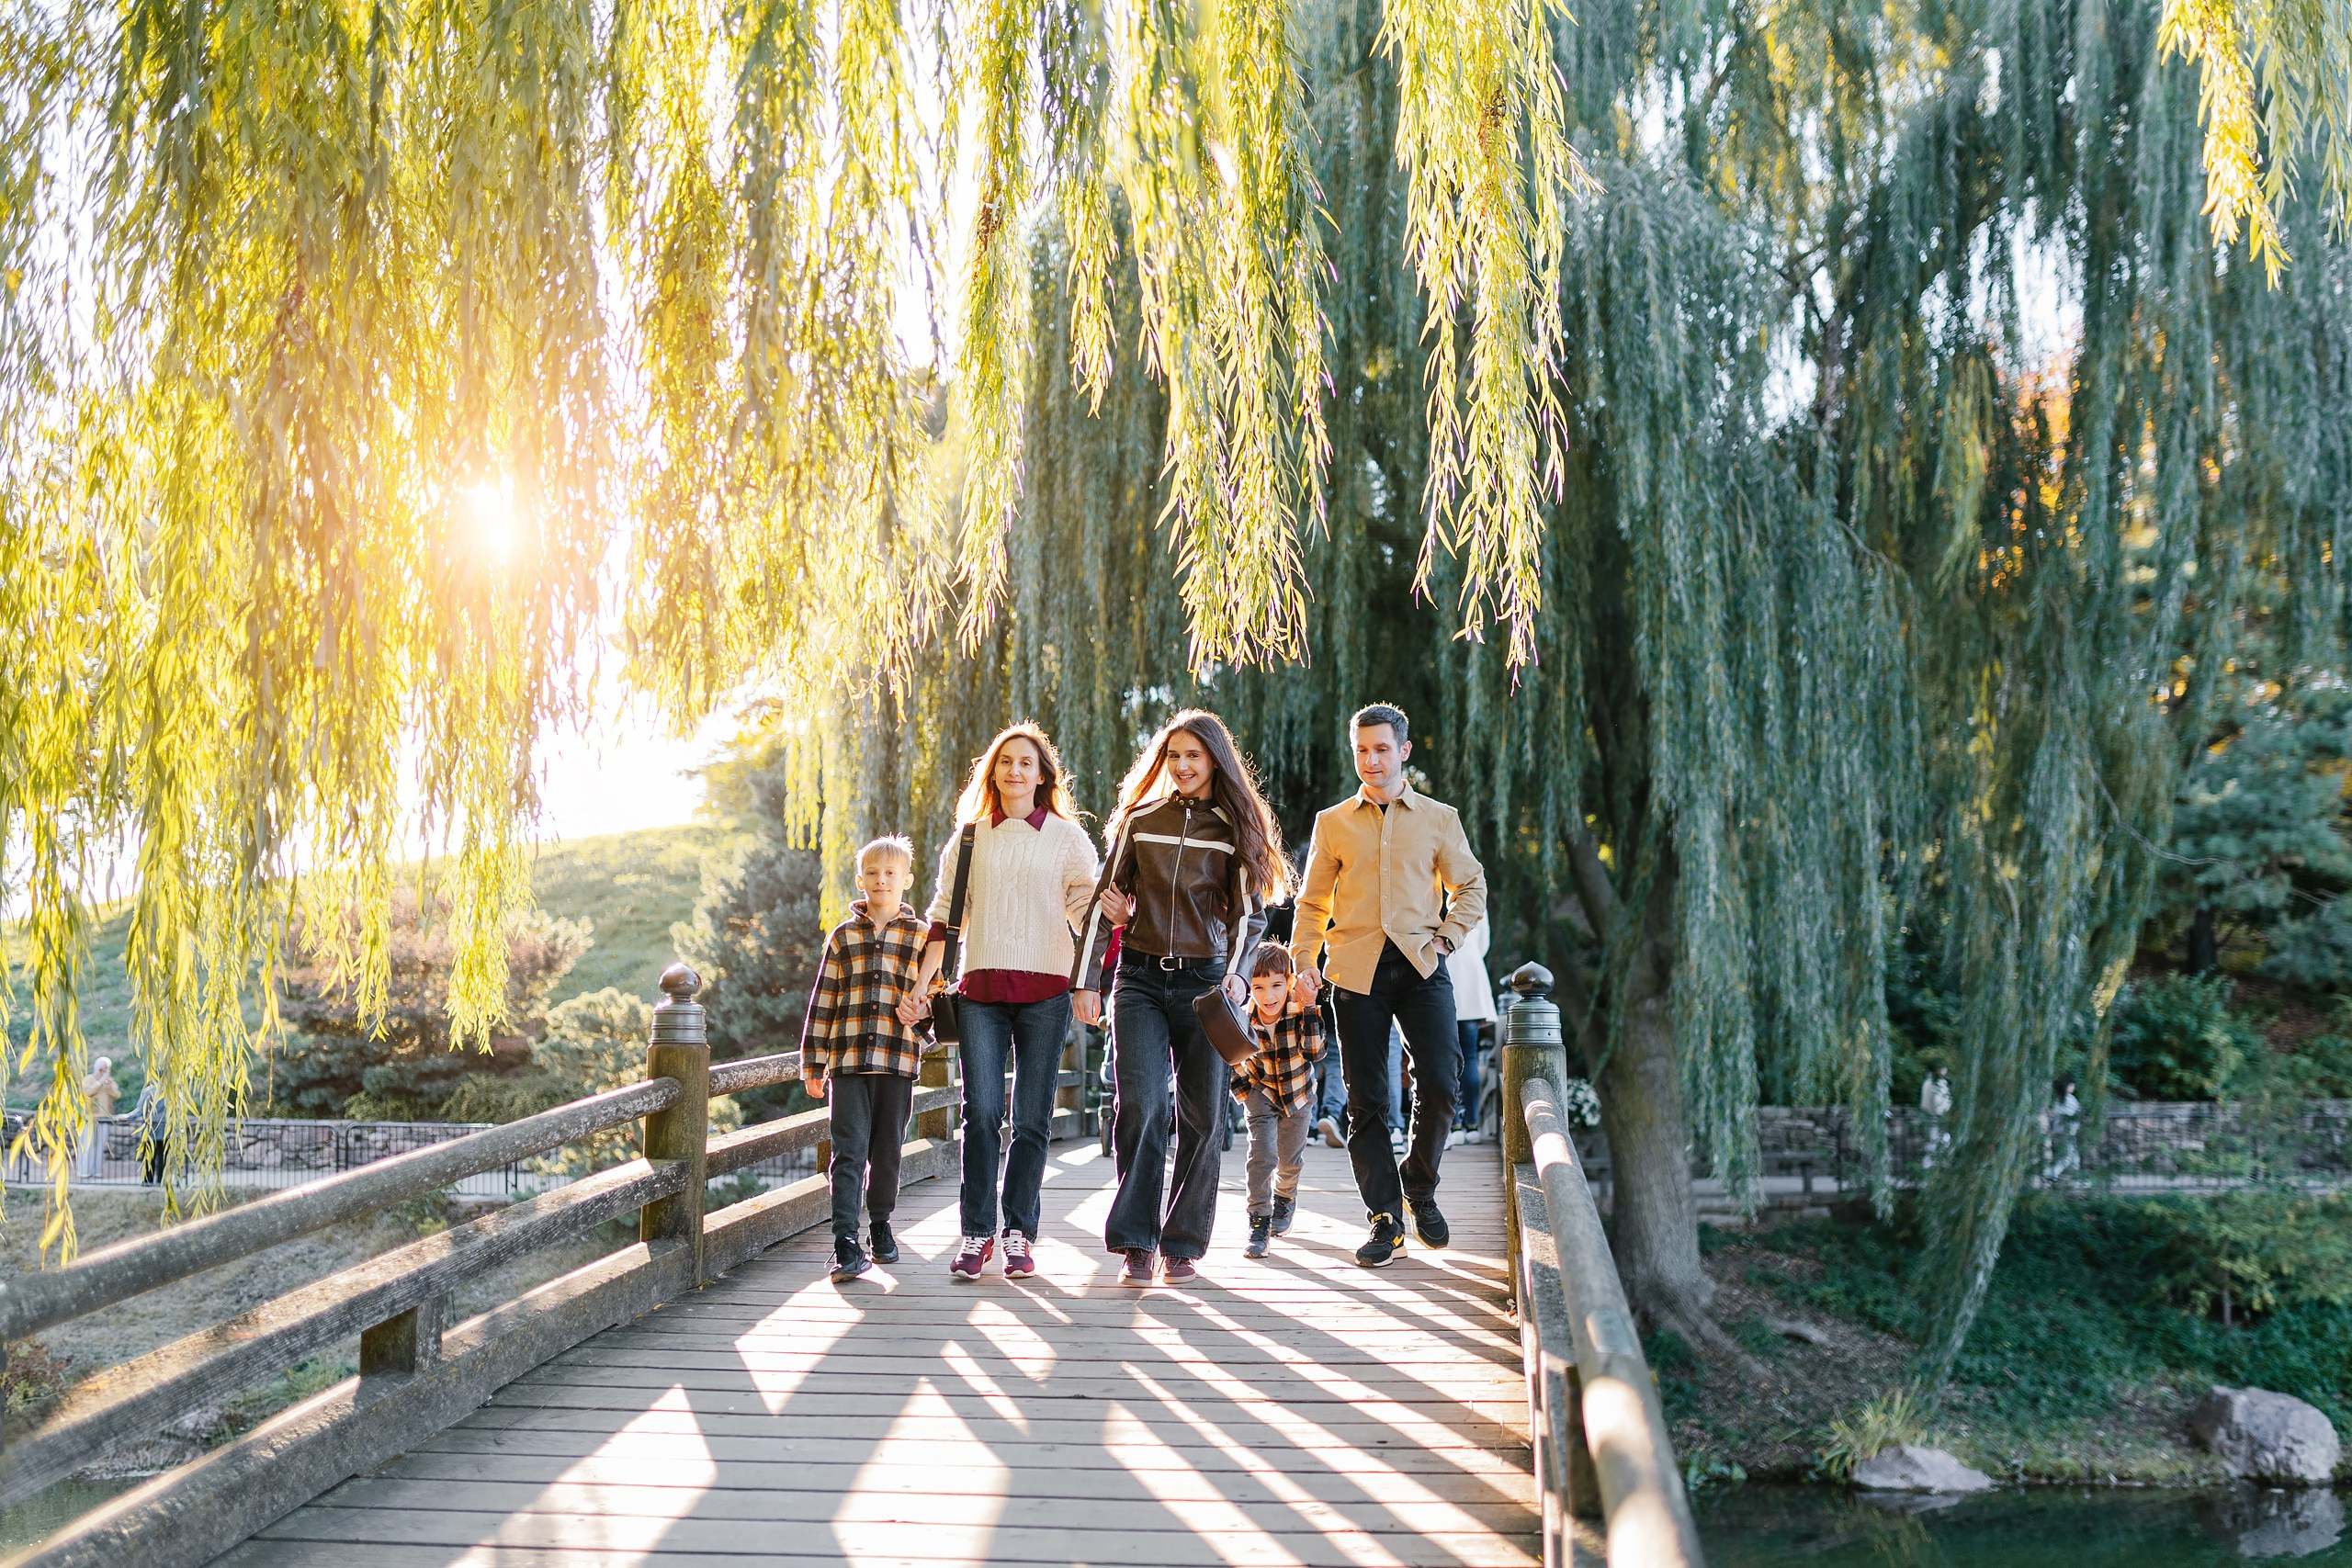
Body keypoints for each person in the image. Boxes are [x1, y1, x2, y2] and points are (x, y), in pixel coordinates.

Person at [1074, 709, 1290, 1285]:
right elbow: (1104, 903)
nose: (1184, 765)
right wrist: (1086, 980)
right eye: (1174, 756)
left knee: (1202, 1116)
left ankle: (1183, 1243)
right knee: (1141, 1106)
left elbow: (1250, 914)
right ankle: (1136, 1242)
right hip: (1139, 981)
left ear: (1215, 759)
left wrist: (1240, 977)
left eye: (1194, 755)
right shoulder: (1141, 822)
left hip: (1205, 986)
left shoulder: (1232, 831)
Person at [1291, 703, 1487, 1268]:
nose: (1371, 760)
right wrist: (1305, 958)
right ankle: (1384, 1216)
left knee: (1445, 1083)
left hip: (1422, 965)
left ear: (1403, 750)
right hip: (1355, 969)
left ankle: (1418, 1186)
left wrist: (1447, 939)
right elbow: (1312, 904)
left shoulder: (1438, 818)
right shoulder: (1333, 823)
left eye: (1381, 749)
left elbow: (1470, 887)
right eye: (1362, 750)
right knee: (1367, 1099)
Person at [903, 723, 1100, 1281]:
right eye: (1005, 762)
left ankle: (1018, 1232)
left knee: (1032, 1118)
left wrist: (1111, 927)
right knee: (982, 1113)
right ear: (992, 771)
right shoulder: (969, 838)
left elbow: (1086, 909)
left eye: (1026, 763)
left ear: (1043, 775)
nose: (1015, 771)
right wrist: (921, 988)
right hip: (981, 993)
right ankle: (974, 1232)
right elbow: (944, 917)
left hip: (1046, 992)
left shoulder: (1066, 837)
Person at [802, 836, 930, 1281]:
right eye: (873, 873)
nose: (881, 880)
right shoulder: (843, 937)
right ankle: (844, 1242)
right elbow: (823, 1001)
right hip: (849, 1062)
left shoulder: (922, 939)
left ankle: (880, 1224)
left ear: (906, 881)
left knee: (887, 1152)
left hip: (897, 1062)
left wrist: (925, 1011)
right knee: (848, 1151)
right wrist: (813, 1062)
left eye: (890, 874)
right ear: (861, 880)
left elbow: (935, 997)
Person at [1228, 944, 1326, 1258]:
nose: (1268, 996)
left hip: (1298, 1096)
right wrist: (1247, 1097)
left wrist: (1310, 1006)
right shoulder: (1243, 1019)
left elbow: (1314, 1053)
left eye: (1276, 986)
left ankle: (1285, 1197)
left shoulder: (1300, 1012)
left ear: (1289, 981)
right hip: (1263, 1093)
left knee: (1289, 1160)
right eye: (1258, 987)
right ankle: (1258, 1220)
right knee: (1263, 1155)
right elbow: (1231, 1062)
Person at [1447, 917, 1495, 1143]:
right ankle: (1473, 1125)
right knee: (1470, 1056)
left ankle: (1454, 1122)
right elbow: (1484, 943)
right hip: (1471, 976)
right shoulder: (1473, 889)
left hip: (1445, 972)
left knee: (1447, 1057)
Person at [78, 1056, 121, 1179]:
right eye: (101, 1069)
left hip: (105, 1118)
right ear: (96, 1068)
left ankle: (97, 1172)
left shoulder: (109, 1082)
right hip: (89, 1119)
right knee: (88, 1145)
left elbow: (117, 1095)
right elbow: (86, 1093)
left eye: (106, 1070)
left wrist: (110, 1086)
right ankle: (84, 1172)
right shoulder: (88, 1079)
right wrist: (99, 1082)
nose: (103, 1072)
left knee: (100, 1147)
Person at [1919, 1065, 1952, 1170]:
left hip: (1933, 1116)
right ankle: (1934, 1163)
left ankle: (1934, 1163)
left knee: (1937, 1139)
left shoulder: (1930, 1083)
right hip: (1936, 1116)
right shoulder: (1937, 1085)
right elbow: (1938, 1102)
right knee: (1938, 1139)